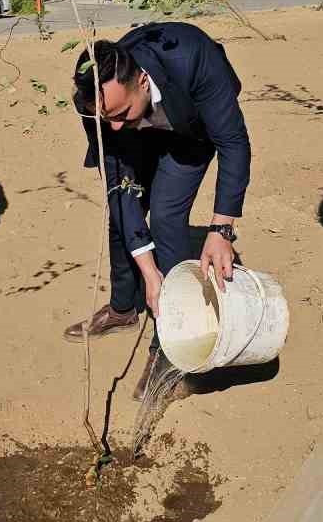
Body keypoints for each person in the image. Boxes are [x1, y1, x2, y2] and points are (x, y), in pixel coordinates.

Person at [65, 23, 252, 399]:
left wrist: (221, 230)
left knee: (166, 216)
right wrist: (149, 274)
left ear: (144, 81)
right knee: (123, 212)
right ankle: (123, 307)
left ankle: (168, 348)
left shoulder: (194, 61)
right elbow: (118, 183)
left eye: (120, 112)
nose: (113, 126)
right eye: (105, 119)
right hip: (142, 137)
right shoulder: (99, 104)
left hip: (188, 131)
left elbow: (233, 144)